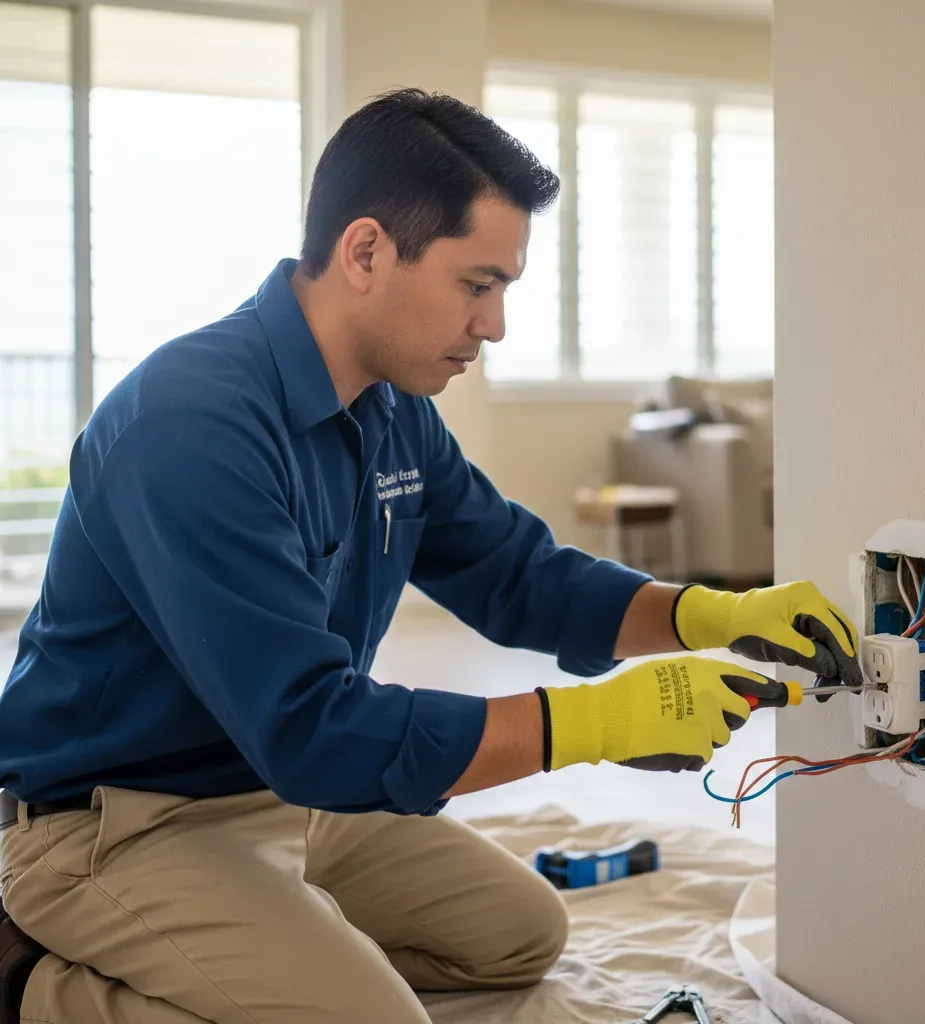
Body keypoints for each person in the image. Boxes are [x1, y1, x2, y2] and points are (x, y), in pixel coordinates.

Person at [0, 89, 862, 1023]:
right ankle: (32, 983)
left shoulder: (392, 408)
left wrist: (712, 614)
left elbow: (516, 575)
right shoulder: (189, 425)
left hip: (278, 792)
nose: (493, 326)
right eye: (477, 284)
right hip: (118, 819)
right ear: (367, 250)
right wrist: (595, 725)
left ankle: (258, 938)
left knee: (519, 935)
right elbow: (313, 728)